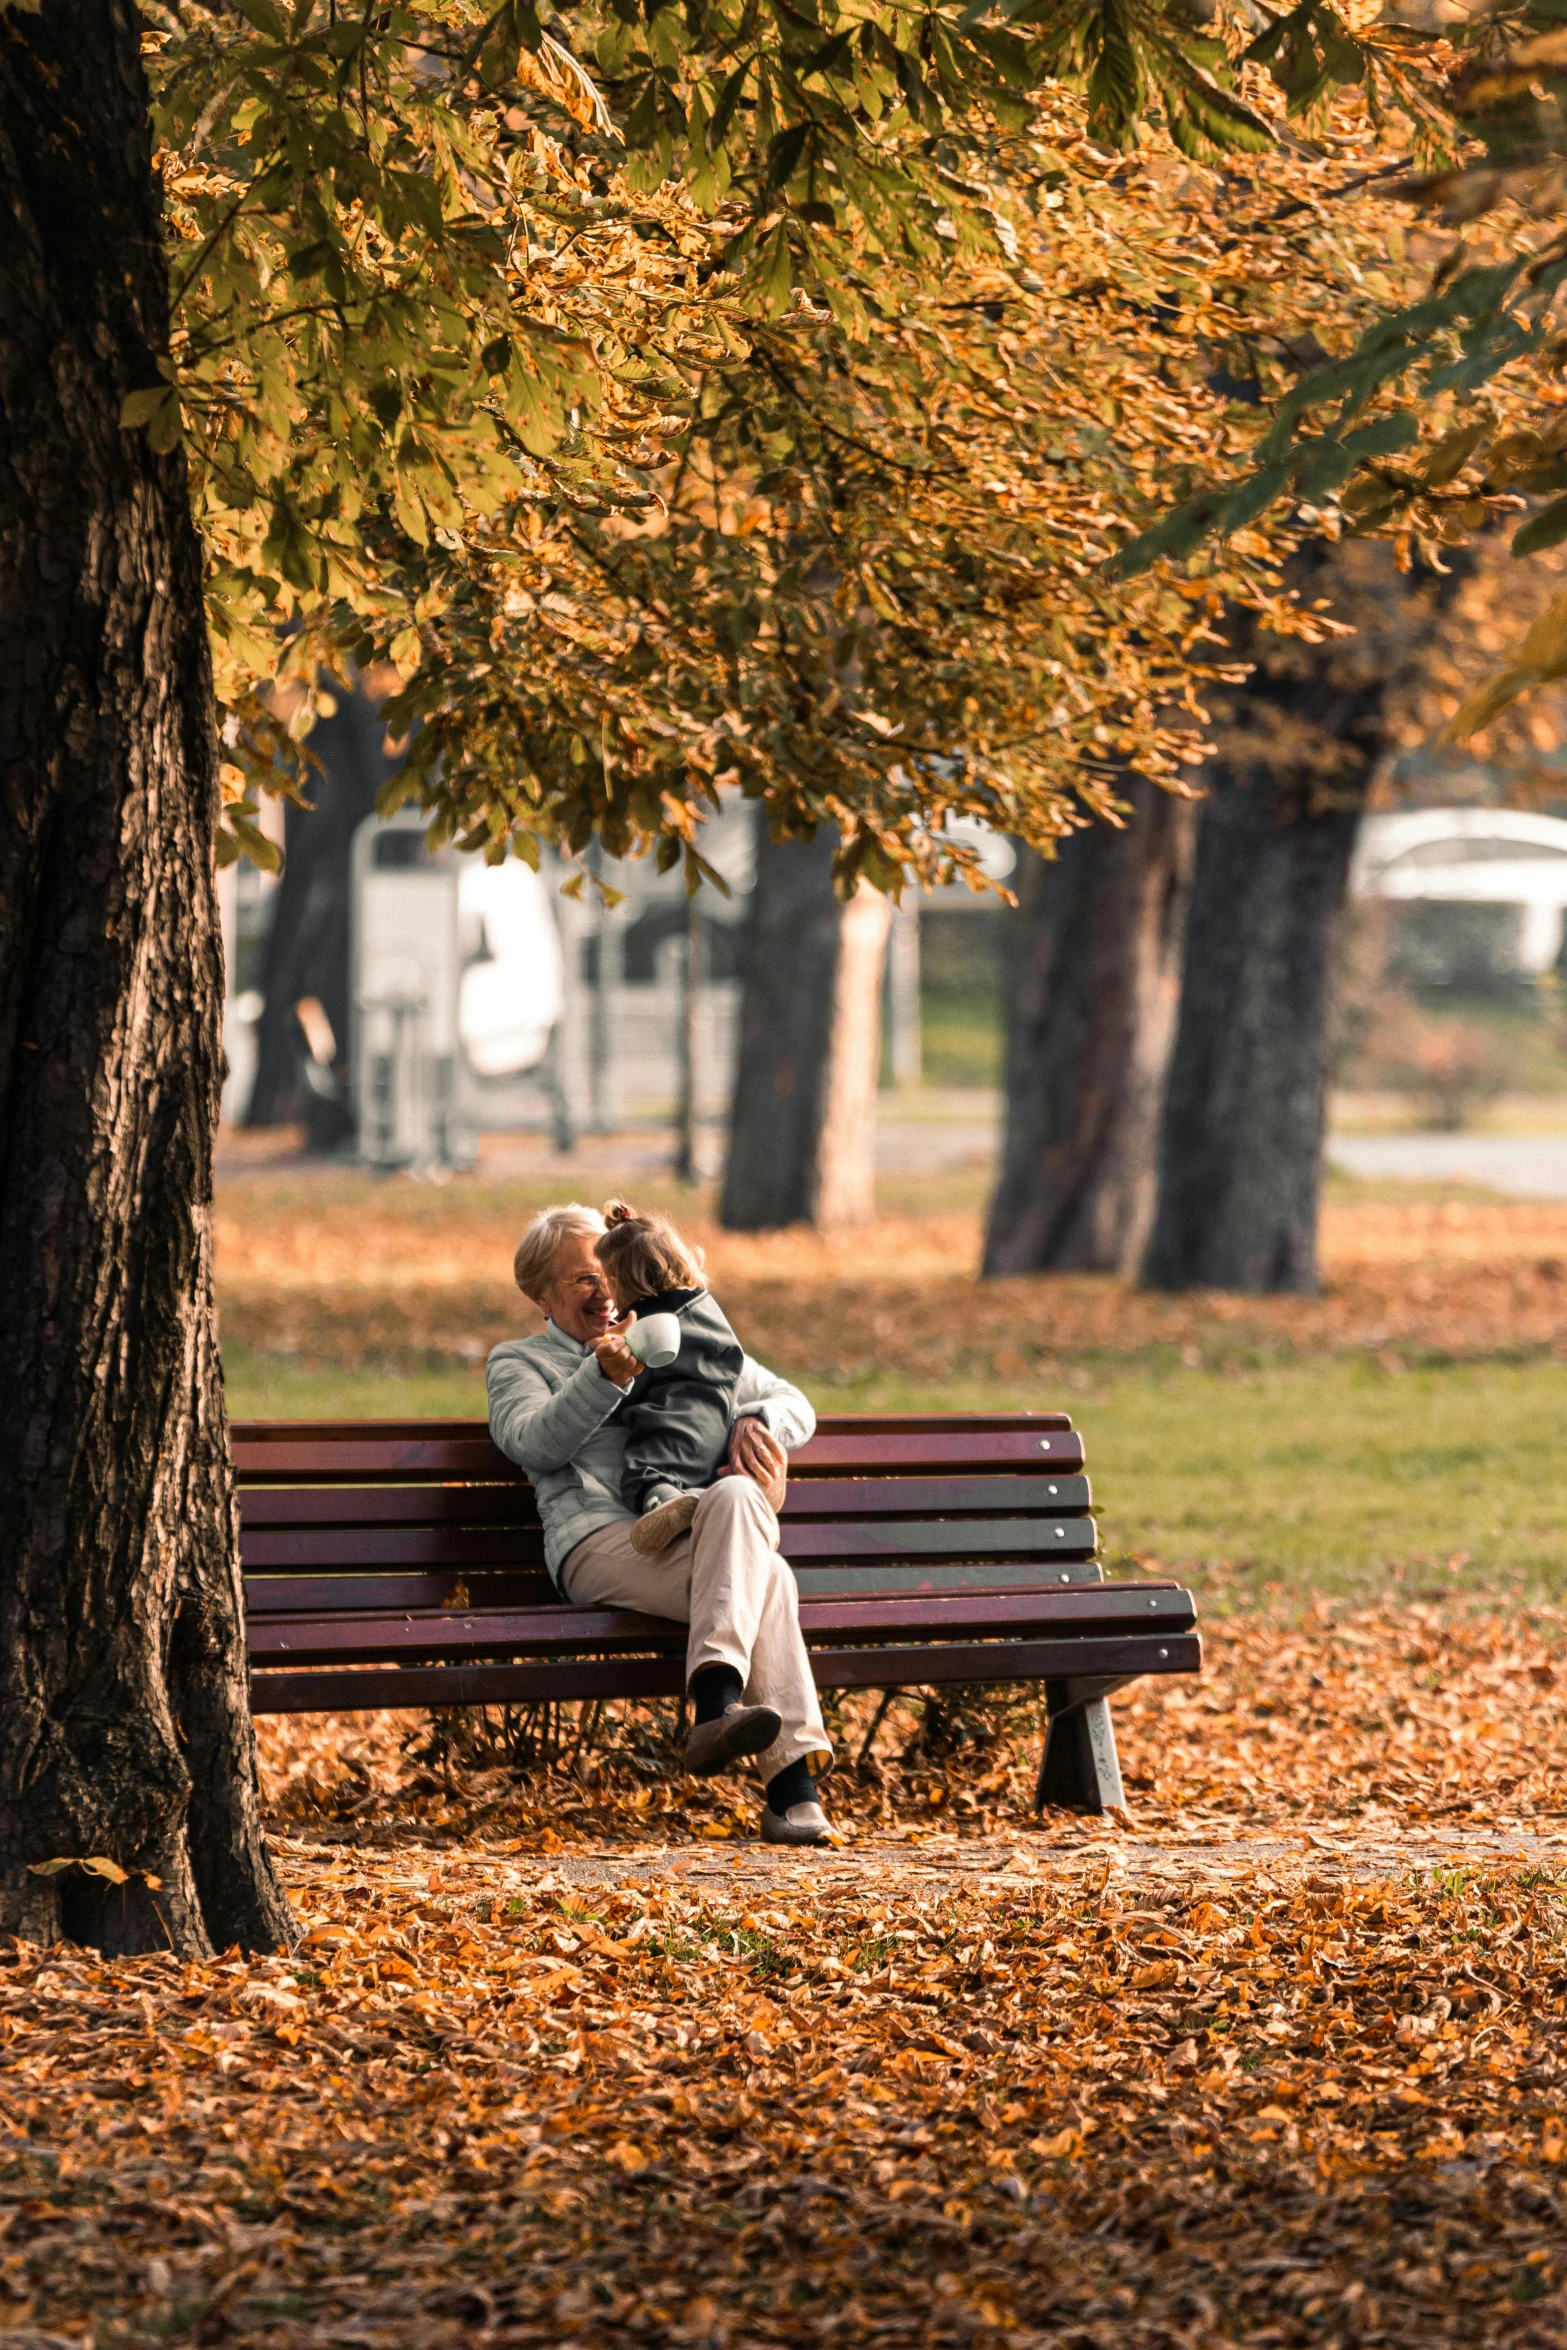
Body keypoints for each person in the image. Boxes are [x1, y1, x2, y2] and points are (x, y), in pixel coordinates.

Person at [487, 1202, 834, 1846]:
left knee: (735, 1499)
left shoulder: (670, 1332)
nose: (605, 1293)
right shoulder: (519, 1363)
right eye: (582, 1279)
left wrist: (756, 1427)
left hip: (687, 1531)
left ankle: (716, 1707)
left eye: (608, 1274)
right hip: (596, 1543)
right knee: (771, 1579)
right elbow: (533, 1441)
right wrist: (602, 1376)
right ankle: (794, 1792)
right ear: (539, 1292)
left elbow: (792, 1401)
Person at [594, 1197, 745, 1557]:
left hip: (672, 1428)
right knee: (695, 1478)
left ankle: (664, 1503)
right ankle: (717, 1497)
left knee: (643, 1476)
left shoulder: (647, 1327)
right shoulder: (707, 1309)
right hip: (717, 1426)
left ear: (622, 1282)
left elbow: (630, 1381)